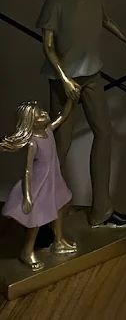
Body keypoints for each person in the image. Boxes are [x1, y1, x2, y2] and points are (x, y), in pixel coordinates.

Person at [37, 0, 126, 227]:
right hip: (65, 81)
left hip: (92, 74)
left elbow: (104, 19)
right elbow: (47, 46)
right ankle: (49, 219)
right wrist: (64, 79)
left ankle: (102, 210)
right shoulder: (54, 3)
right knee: (60, 146)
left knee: (104, 133)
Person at [1, 98, 76, 270]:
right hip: (40, 183)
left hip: (54, 179)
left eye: (42, 111)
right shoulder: (32, 142)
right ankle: (27, 251)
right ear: (31, 123)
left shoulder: (48, 130)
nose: (44, 114)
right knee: (36, 218)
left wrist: (71, 99)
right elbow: (27, 170)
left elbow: (63, 116)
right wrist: (27, 195)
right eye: (39, 115)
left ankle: (59, 241)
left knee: (60, 205)